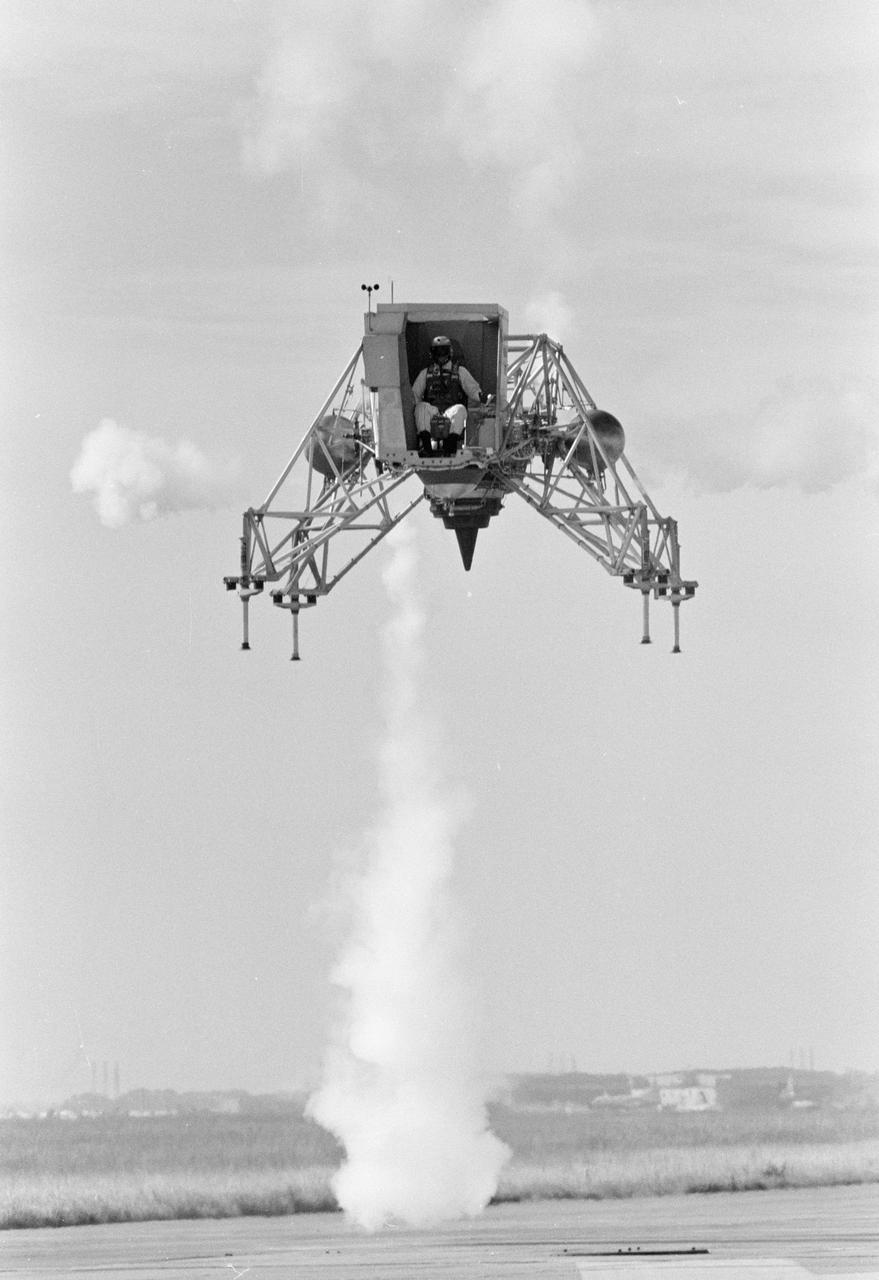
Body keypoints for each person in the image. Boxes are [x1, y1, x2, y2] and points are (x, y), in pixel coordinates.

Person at [412, 335, 482, 456]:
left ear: (449, 352)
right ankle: (427, 447)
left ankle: (449, 448)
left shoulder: (460, 371)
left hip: (450, 413)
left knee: (460, 409)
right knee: (421, 407)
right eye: (437, 351)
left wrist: (481, 396)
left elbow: (473, 389)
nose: (441, 354)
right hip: (433, 413)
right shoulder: (425, 373)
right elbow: (415, 396)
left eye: (443, 351)